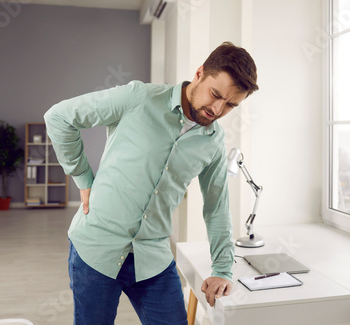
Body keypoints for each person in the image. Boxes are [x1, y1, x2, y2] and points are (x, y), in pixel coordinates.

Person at [44, 41, 258, 325]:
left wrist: (222, 268)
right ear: (200, 73)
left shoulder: (213, 142)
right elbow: (59, 117)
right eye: (215, 94)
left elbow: (216, 207)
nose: (217, 109)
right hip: (95, 250)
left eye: (230, 105)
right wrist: (83, 177)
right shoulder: (138, 98)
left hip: (152, 258)